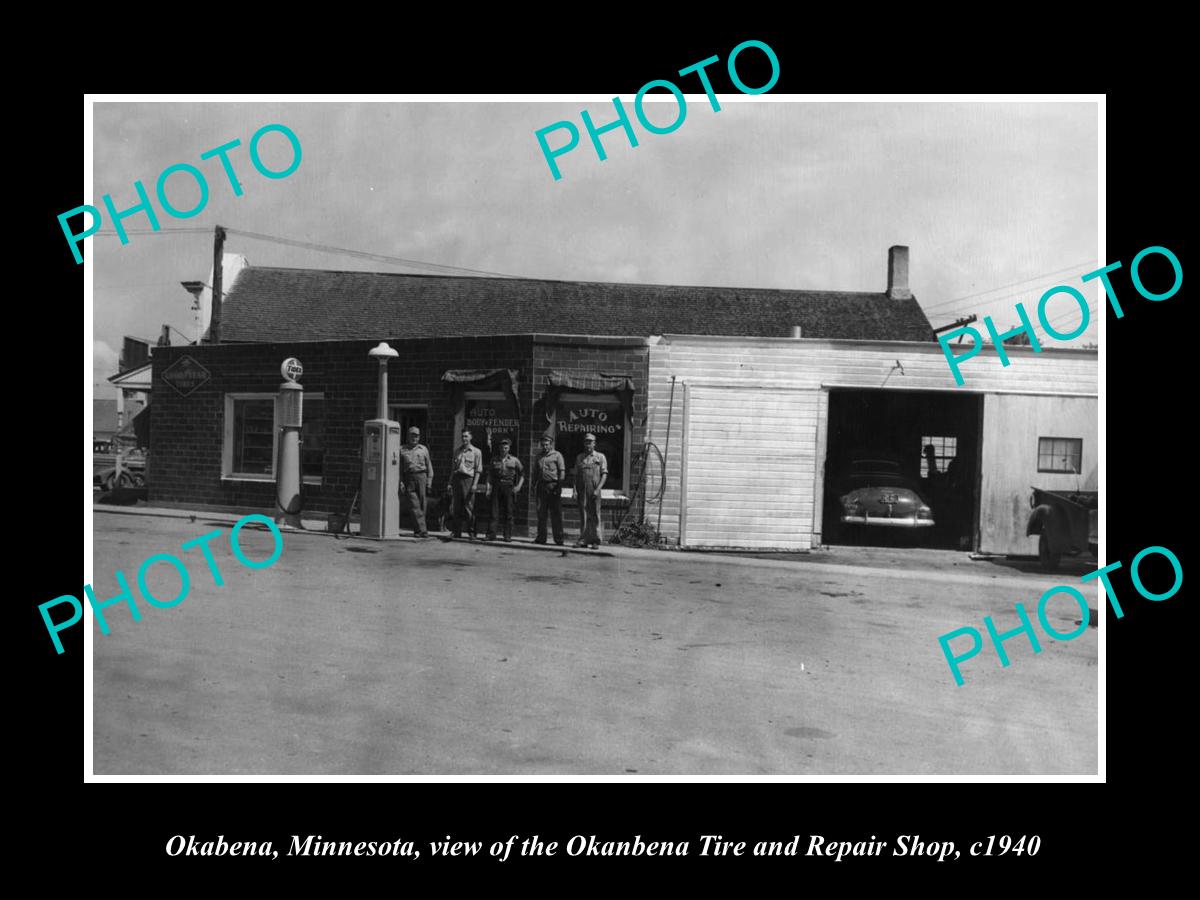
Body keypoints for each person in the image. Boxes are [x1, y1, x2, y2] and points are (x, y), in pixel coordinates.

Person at [484, 437, 524, 542]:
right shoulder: (494, 460)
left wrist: (518, 486)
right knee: (494, 512)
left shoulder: (514, 460)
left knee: (509, 512)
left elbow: (522, 474)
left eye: (506, 448)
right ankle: (491, 534)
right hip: (497, 486)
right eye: (502, 448)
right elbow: (489, 476)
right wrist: (488, 489)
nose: (504, 450)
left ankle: (507, 535)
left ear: (509, 448)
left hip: (508, 486)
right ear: (499, 448)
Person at [574, 432, 607, 549]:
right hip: (582, 489)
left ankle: (595, 540)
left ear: (594, 444)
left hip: (594, 489)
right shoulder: (580, 457)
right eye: (586, 442)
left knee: (594, 515)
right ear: (584, 443)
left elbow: (604, 475)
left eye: (590, 442)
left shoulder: (600, 457)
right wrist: (574, 490)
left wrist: (598, 489)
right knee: (583, 514)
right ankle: (583, 539)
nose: (588, 444)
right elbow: (576, 475)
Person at [398, 426, 433, 537]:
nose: (414, 437)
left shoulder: (423, 449)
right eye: (412, 435)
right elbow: (399, 468)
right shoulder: (402, 449)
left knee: (422, 504)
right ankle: (423, 530)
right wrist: (401, 481)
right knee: (414, 505)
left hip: (422, 476)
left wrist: (429, 481)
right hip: (409, 477)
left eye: (417, 435)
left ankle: (418, 530)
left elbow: (429, 466)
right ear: (408, 436)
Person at [532, 433, 566, 545]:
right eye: (543, 445)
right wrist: (533, 485)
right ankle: (541, 538)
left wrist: (559, 487)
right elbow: (535, 473)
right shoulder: (538, 456)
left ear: (551, 444)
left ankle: (559, 539)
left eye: (547, 444)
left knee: (555, 514)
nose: (545, 447)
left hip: (553, 486)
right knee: (541, 513)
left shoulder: (557, 455)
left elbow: (562, 472)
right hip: (541, 486)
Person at [449, 429, 483, 539]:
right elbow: (453, 469)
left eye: (466, 436)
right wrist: (450, 483)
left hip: (468, 479)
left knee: (469, 507)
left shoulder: (476, 452)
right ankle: (456, 531)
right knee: (456, 507)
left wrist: (475, 484)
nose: (464, 438)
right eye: (463, 436)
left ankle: (472, 532)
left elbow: (478, 469)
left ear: (471, 437)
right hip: (457, 479)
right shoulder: (457, 451)